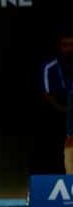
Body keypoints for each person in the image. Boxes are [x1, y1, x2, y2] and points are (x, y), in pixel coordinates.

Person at [41, 24, 73, 174]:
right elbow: (47, 94)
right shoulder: (50, 66)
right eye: (66, 45)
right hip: (58, 111)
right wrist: (63, 109)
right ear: (60, 47)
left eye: (72, 45)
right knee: (58, 151)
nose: (69, 49)